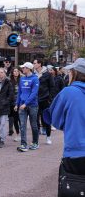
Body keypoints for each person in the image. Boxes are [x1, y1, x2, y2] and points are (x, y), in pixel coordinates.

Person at [43, 58, 85, 195]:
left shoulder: (69, 92)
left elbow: (54, 118)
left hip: (76, 152)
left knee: (73, 188)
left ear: (74, 73)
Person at [15, 62, 40, 152]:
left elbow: (34, 93)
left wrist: (26, 103)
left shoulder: (35, 79)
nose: (22, 69)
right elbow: (19, 92)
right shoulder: (21, 79)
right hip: (22, 105)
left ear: (28, 68)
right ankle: (23, 144)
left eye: (24, 67)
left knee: (34, 125)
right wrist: (16, 104)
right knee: (22, 125)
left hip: (32, 105)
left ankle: (35, 143)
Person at [33, 58, 55, 144]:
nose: (33, 65)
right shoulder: (33, 74)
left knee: (46, 119)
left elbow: (52, 87)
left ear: (39, 64)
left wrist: (49, 98)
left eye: (34, 63)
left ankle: (48, 137)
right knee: (34, 119)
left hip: (45, 100)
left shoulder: (47, 74)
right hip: (35, 100)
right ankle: (36, 138)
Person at [9, 67, 21, 141]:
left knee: (21, 119)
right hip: (12, 103)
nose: (16, 72)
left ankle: (22, 133)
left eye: (17, 71)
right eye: (14, 71)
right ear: (12, 72)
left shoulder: (22, 80)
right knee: (15, 119)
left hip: (21, 102)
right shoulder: (10, 81)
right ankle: (17, 134)